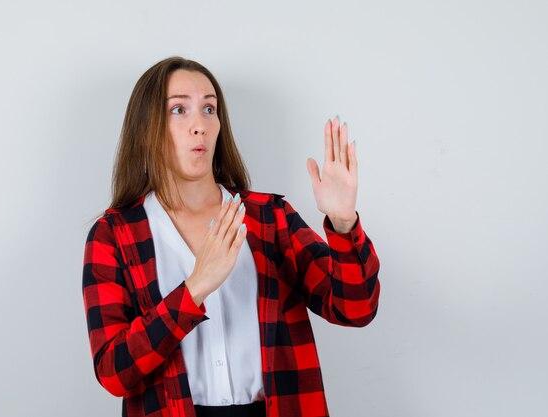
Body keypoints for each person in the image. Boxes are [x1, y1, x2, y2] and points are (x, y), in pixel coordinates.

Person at [82, 56, 380, 417]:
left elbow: (356, 308)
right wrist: (194, 289)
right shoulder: (114, 235)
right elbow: (114, 372)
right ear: (146, 128)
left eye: (209, 108)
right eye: (179, 109)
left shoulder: (270, 219)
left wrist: (344, 223)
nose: (199, 125)